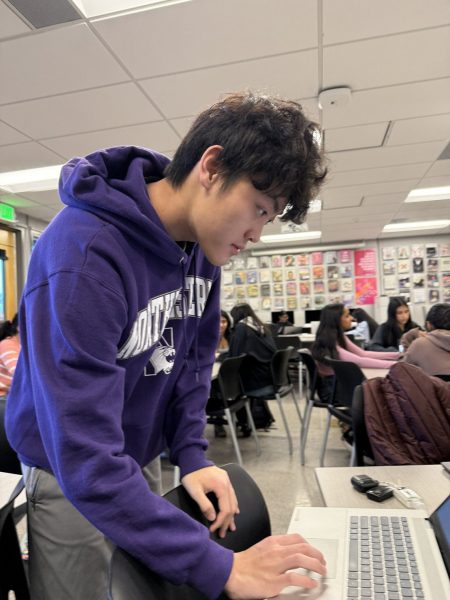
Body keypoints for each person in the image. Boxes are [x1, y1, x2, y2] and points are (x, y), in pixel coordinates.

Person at [5, 91, 328, 600]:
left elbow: (192, 364)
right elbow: (84, 454)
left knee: (142, 585)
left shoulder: (201, 248)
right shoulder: (83, 254)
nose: (257, 234)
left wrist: (193, 454)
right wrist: (223, 569)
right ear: (213, 167)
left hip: (134, 456)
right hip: (68, 469)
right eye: (259, 210)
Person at [311, 303, 399, 403]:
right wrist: (396, 364)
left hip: (337, 386)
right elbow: (359, 361)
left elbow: (363, 353)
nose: (352, 318)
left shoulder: (337, 337)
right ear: (337, 319)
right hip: (332, 391)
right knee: (384, 391)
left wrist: (397, 355)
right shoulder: (330, 344)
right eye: (347, 315)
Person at [402, 303, 450, 376]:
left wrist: (406, 339)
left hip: (432, 387)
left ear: (428, 324)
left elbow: (402, 372)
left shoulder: (420, 344)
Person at [0, 314, 20, 397]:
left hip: (11, 396)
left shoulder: (23, 346)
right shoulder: (8, 344)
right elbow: (19, 373)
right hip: (3, 396)